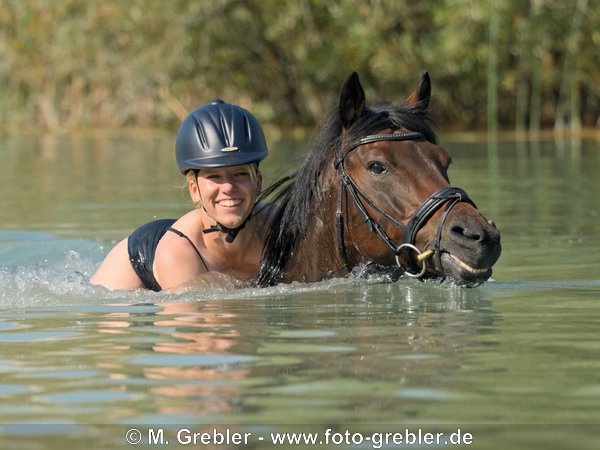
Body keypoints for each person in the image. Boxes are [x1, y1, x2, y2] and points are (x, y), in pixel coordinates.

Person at [90, 99, 273, 291]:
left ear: (258, 182)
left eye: (240, 173)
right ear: (194, 190)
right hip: (140, 263)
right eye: (214, 176)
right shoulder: (176, 253)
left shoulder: (280, 229)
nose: (228, 186)